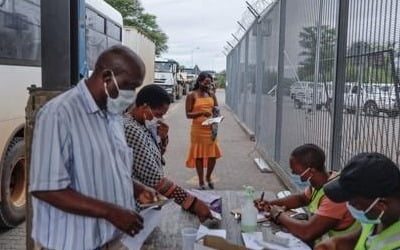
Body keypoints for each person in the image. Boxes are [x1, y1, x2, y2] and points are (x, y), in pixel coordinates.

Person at [30, 45, 148, 250]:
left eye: (135, 87)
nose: (131, 94)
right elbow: (46, 188)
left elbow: (106, 167)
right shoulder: (59, 114)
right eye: (128, 85)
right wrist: (111, 212)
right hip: (73, 243)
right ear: (106, 77)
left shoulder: (113, 114)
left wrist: (136, 188)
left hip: (112, 240)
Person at [123, 84, 212, 222]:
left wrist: (163, 139)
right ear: (144, 107)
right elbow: (154, 179)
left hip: (148, 202)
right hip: (135, 208)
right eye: (158, 114)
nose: (160, 119)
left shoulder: (142, 123)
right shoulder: (131, 130)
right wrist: (193, 203)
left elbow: (156, 157)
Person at [255, 144, 358, 245]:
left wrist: (278, 215)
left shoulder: (336, 195)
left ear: (311, 170)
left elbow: (307, 232)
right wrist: (270, 204)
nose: (293, 172)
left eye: (295, 170)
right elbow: (302, 199)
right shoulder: (321, 182)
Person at [315, 153, 400, 250]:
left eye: (354, 203)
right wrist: (332, 244)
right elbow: (360, 239)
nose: (349, 206)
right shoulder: (379, 215)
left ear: (381, 205)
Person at [185, 72, 222, 190]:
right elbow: (188, 114)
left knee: (213, 155)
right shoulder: (192, 95)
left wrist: (217, 119)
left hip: (210, 129)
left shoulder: (212, 95)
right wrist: (201, 113)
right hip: (198, 130)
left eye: (210, 82)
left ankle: (208, 177)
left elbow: (216, 110)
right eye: (206, 82)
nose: (208, 85)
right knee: (199, 155)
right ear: (199, 82)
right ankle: (201, 181)